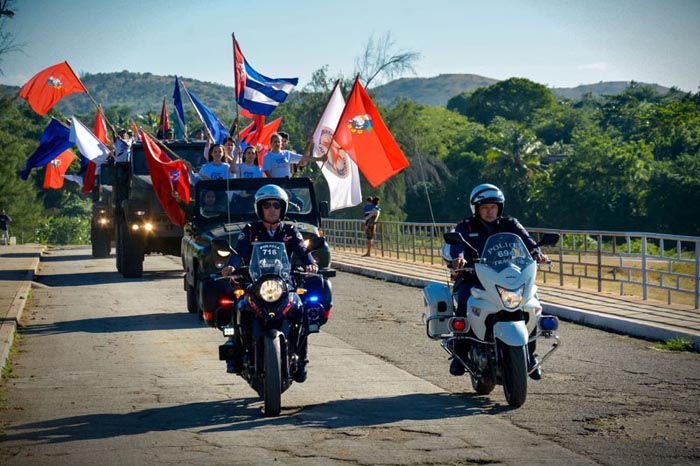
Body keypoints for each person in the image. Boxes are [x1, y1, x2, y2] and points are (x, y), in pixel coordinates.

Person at [447, 183, 549, 380]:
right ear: (476, 208)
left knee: (532, 303)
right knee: (464, 302)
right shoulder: (465, 226)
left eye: (493, 207)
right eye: (485, 207)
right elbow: (455, 244)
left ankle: (530, 356)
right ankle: (460, 353)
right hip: (474, 279)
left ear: (499, 208)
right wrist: (458, 258)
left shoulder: (510, 224)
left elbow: (527, 241)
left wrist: (537, 253)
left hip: (508, 278)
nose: (489, 211)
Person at [221, 184, 319, 378]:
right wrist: (230, 266)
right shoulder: (250, 230)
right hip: (256, 282)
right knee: (238, 305)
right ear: (260, 208)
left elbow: (303, 250)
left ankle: (301, 358)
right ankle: (235, 349)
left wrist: (311, 265)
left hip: (284, 283)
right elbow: (238, 251)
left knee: (302, 309)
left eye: (276, 205)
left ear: (282, 208)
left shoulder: (290, 230)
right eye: (267, 205)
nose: (272, 209)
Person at [262, 132, 327, 178]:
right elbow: (268, 174)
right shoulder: (267, 157)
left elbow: (303, 159)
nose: (277, 144)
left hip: (289, 185)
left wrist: (319, 159)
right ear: (271, 143)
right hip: (275, 187)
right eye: (275, 142)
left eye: (279, 142)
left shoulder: (288, 154)